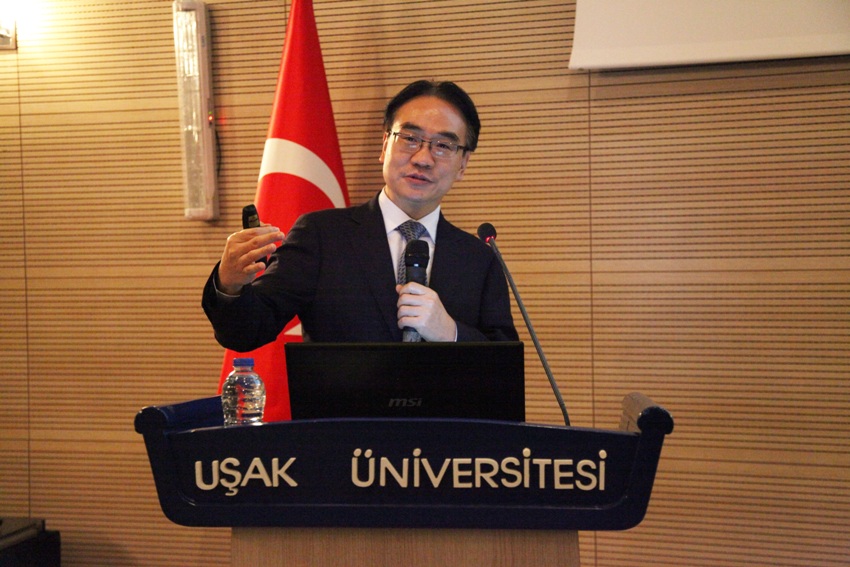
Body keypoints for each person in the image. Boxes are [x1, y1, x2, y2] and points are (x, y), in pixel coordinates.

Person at [202, 80, 518, 350]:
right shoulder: (322, 236)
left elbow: (503, 366)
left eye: (443, 146)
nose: (423, 158)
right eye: (410, 139)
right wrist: (229, 285)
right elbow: (246, 332)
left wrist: (450, 332)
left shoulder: (479, 258)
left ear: (463, 164)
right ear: (385, 145)